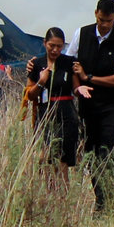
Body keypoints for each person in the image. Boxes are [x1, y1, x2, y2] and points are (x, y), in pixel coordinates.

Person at [67, 0, 114, 211]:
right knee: (92, 153)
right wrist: (78, 87)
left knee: (106, 152)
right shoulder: (82, 34)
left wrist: (89, 79)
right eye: (101, 19)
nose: (104, 25)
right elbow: (71, 64)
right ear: (96, 13)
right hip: (88, 106)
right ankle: (100, 200)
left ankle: (108, 201)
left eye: (109, 21)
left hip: (112, 107)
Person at [27, 27, 92, 181]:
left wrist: (80, 89)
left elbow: (75, 88)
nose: (55, 50)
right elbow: (29, 94)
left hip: (66, 114)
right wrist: (41, 81)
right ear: (44, 43)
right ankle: (46, 191)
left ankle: (62, 195)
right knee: (44, 156)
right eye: (51, 45)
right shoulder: (37, 64)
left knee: (62, 158)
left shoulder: (69, 62)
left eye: (59, 46)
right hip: (44, 113)